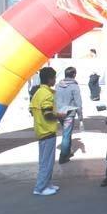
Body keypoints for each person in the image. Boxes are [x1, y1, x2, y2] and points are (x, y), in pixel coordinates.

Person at [30, 67, 66, 196]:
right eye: (54, 78)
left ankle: (47, 183)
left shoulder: (38, 93)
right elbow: (47, 114)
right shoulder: (47, 94)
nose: (55, 80)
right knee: (47, 162)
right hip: (47, 131)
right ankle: (40, 188)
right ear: (50, 79)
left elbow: (31, 111)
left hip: (41, 130)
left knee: (45, 161)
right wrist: (59, 115)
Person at [55, 67, 83, 164]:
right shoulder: (74, 87)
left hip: (60, 113)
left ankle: (67, 152)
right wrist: (80, 116)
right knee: (66, 134)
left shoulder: (58, 85)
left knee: (67, 133)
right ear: (74, 74)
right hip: (69, 114)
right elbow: (78, 102)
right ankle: (63, 156)